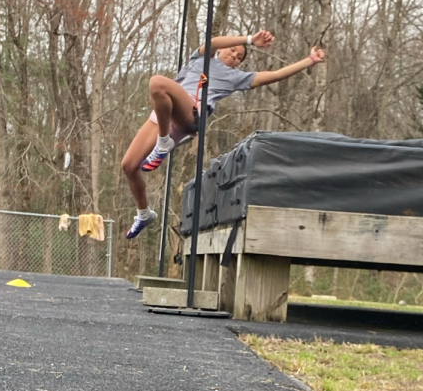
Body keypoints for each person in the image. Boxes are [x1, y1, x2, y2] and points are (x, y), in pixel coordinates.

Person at [121, 30, 326, 238]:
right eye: (233, 51)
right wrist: (249, 41)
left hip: (191, 114)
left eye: (239, 58)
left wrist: (309, 60)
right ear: (222, 49)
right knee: (129, 166)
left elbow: (273, 76)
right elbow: (212, 42)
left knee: (157, 83)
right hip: (164, 114)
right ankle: (144, 213)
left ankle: (164, 143)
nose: (234, 57)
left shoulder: (236, 77)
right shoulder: (201, 58)